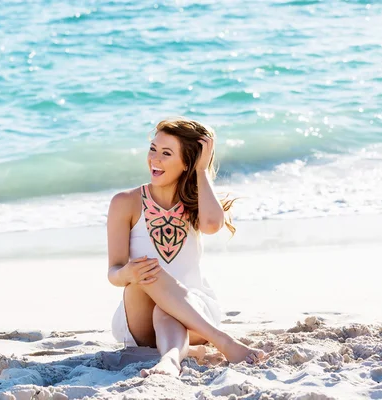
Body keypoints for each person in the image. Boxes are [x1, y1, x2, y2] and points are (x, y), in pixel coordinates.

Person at [107, 117, 266, 377]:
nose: (154, 159)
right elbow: (113, 272)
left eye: (166, 153)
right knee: (150, 273)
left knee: (165, 309)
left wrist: (201, 172)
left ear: (186, 163)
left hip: (195, 314)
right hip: (140, 316)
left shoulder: (196, 202)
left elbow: (213, 224)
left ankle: (170, 359)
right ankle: (222, 342)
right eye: (152, 149)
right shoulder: (125, 202)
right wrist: (128, 273)